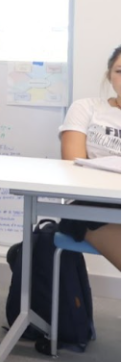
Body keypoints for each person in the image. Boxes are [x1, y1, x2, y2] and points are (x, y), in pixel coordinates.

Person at [56, 46, 121, 269]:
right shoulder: (87, 108)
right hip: (92, 207)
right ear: (109, 77)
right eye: (120, 71)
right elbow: (72, 167)